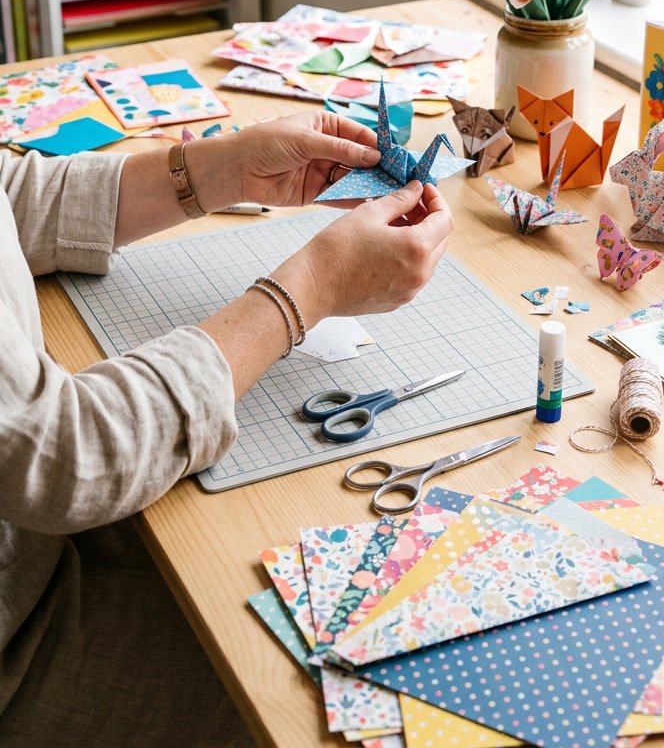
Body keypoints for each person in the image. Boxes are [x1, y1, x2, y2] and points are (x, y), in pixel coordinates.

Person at [0, 109, 453, 747]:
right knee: (343, 705)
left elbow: (7, 195)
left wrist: (220, 169)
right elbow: (59, 457)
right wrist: (308, 291)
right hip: (18, 653)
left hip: (34, 553)